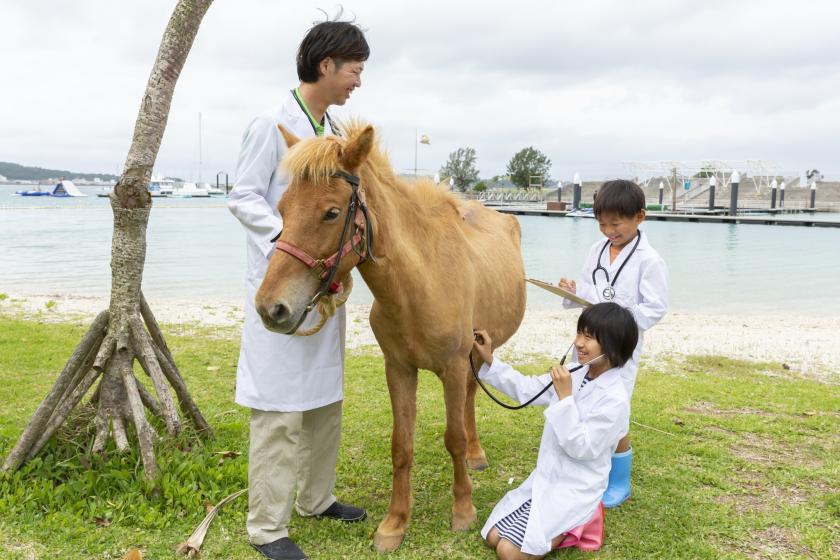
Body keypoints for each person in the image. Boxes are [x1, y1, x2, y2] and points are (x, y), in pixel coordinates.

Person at [227, 19, 369, 560]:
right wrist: (291, 243)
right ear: (325, 64)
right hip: (284, 277)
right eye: (354, 67)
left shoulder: (331, 128)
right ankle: (267, 527)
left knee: (323, 398)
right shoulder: (271, 123)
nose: (358, 79)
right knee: (279, 406)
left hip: (323, 282)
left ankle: (317, 498)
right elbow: (243, 196)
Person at [472, 302, 638, 559]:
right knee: (493, 536)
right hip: (549, 476)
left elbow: (582, 448)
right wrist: (490, 357)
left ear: (613, 347)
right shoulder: (575, 372)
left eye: (589, 337)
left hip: (577, 486)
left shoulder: (615, 399)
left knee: (508, 552)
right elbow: (526, 389)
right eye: (580, 333)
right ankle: (557, 527)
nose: (579, 343)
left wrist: (565, 399)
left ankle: (577, 524)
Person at [558, 179, 669, 508]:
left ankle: (619, 481)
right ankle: (588, 467)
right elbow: (592, 291)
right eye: (602, 224)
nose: (608, 231)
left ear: (640, 217)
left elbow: (655, 308)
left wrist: (620, 322)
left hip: (621, 348)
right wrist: (573, 289)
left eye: (616, 224)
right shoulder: (597, 250)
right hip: (591, 342)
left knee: (615, 411)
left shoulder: (650, 261)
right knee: (584, 400)